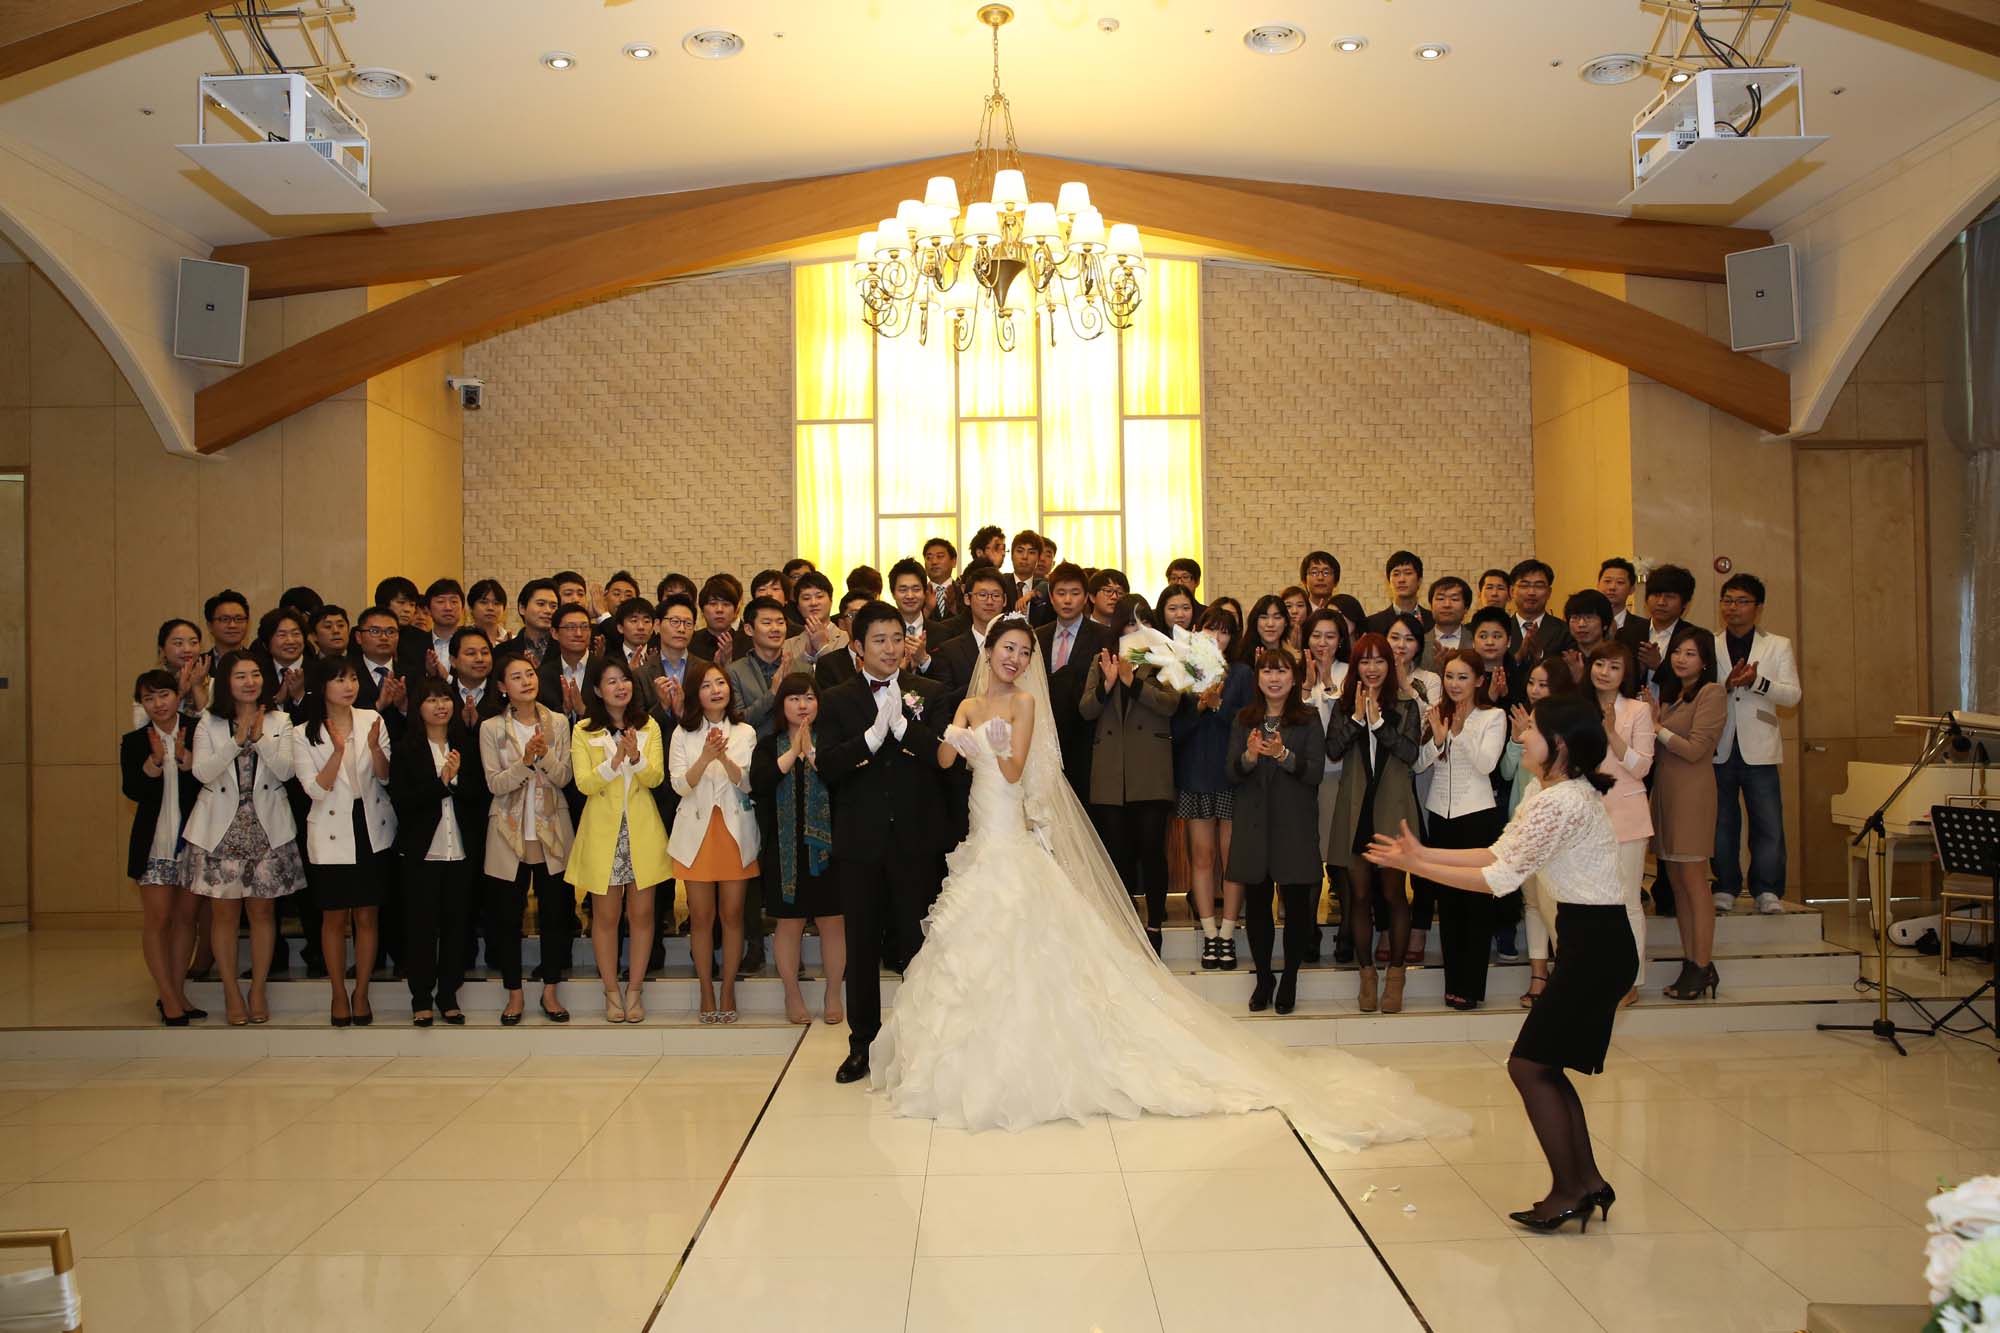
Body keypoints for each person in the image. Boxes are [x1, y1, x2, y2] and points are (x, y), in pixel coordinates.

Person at [868, 614, 1465, 1148]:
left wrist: (994, 749)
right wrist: (957, 738)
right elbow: (945, 763)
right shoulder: (969, 704)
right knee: (972, 950)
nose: (1016, 658)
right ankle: (974, 1059)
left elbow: (1014, 771)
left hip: (1010, 839)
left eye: (1025, 651)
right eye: (1009, 648)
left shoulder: (1024, 704)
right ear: (990, 651)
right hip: (979, 842)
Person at [1364, 695, 1626, 1231]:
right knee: (1544, 1066)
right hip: (1594, 941)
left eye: (1532, 730)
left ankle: (1569, 1189)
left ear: (1559, 745)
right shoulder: (1552, 792)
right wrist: (1421, 856)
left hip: (1596, 945)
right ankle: (1587, 1182)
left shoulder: (1560, 802)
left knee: (1528, 1066)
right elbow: (1497, 852)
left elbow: (1498, 878)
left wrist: (1419, 868)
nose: (1522, 736)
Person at [814, 601, 958, 1084]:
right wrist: (871, 740)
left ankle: (920, 1044)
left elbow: (944, 759)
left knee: (918, 944)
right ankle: (862, 1044)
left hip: (916, 838)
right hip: (861, 841)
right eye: (879, 640)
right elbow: (829, 765)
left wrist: (903, 730)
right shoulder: (836, 699)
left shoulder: (929, 692)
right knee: (861, 946)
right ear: (857, 646)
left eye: (898, 638)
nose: (891, 648)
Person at [184, 651, 304, 1025]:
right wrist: (236, 741)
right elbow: (202, 773)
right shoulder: (209, 722)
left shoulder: (280, 720)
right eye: (240, 676)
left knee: (263, 912)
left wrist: (259, 738)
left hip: (267, 828)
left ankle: (258, 990)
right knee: (224, 914)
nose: (250, 682)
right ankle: (231, 991)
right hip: (221, 829)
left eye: (255, 674)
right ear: (225, 682)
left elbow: (286, 771)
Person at [292, 655, 396, 1027]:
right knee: (334, 916)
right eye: (339, 680)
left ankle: (362, 991)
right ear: (322, 686)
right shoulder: (302, 733)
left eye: (352, 678)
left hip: (370, 825)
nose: (349, 686)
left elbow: (385, 777)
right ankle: (338, 992)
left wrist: (375, 749)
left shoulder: (372, 719)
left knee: (367, 914)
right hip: (331, 828)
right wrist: (337, 752)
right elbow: (314, 790)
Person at [1323, 634, 1424, 1013]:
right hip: (1355, 808)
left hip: (1391, 806)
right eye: (1364, 661)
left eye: (1378, 660)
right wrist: (1356, 719)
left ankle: (1396, 975)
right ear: (1355, 666)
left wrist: (1379, 723)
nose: (1371, 668)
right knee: (1359, 896)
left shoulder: (1406, 704)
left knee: (1394, 894)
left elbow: (1410, 752)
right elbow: (1333, 749)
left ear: (1390, 664)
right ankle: (1367, 975)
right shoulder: (1344, 704)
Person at [1226, 650, 1327, 1014]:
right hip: (1253, 824)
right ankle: (1264, 977)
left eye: (1281, 671)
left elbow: (1315, 772)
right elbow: (1231, 772)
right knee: (1257, 905)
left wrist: (1284, 756)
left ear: (1294, 678)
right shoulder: (1244, 719)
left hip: (1294, 823)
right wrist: (1250, 757)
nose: (1274, 678)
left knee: (1297, 905)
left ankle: (1290, 978)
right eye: (1267, 671)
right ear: (1258, 678)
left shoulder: (1308, 719)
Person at [573, 659, 672, 1024]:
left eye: (624, 680)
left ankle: (635, 990)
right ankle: (611, 991)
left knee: (643, 915)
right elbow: (585, 784)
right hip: (604, 831)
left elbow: (655, 778)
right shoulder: (584, 730)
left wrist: (635, 756)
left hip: (641, 829)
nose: (620, 687)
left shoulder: (649, 726)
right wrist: (615, 759)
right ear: (598, 690)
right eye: (611, 681)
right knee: (606, 916)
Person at [479, 653, 576, 1024]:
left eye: (530, 674)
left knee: (554, 915)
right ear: (503, 687)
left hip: (552, 829)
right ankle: (514, 994)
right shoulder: (491, 728)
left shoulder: (557, 722)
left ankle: (550, 991)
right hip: (508, 830)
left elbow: (563, 777)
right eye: (516, 676)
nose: (526, 681)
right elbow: (495, 783)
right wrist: (524, 762)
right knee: (508, 917)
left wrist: (543, 756)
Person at [1079, 595, 1179, 950]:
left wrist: (1133, 682)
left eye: (1143, 622)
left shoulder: (1164, 658)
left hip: (1150, 770)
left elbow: (1170, 703)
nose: (1137, 629)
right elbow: (1086, 709)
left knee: (1151, 849)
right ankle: (1123, 923)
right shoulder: (1101, 660)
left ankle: (1154, 923)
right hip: (1111, 771)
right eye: (1130, 623)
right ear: (1118, 628)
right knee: (1116, 852)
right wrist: (1108, 685)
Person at [1413, 650, 1508, 1010]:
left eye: (1463, 677)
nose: (1454, 684)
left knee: (1476, 905)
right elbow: (1419, 764)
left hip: (1477, 816)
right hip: (1440, 815)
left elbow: (1486, 764)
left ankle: (1471, 986)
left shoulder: (1493, 716)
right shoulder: (1436, 712)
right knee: (1449, 905)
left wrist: (1459, 732)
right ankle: (1452, 983)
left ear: (1480, 681)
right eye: (1450, 676)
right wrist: (1438, 740)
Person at [750, 674, 847, 1025]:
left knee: (833, 922)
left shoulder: (833, 742)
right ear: (782, 705)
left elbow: (842, 782)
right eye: (794, 698)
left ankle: (833, 993)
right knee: (788, 925)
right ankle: (792, 994)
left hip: (829, 850)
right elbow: (760, 783)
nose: (802, 705)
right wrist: (794, 752)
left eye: (809, 697)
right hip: (784, 850)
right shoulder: (768, 745)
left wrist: (814, 754)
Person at [393, 677, 489, 1026]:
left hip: (460, 849)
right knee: (421, 927)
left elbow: (479, 795)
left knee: (456, 926)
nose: (440, 706)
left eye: (445, 699)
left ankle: (448, 994)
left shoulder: (466, 745)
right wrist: (442, 783)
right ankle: (420, 997)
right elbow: (403, 801)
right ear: (418, 707)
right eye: (431, 700)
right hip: (423, 851)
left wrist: (457, 780)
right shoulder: (406, 748)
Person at [668, 661, 758, 1024]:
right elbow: (679, 785)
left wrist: (723, 757)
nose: (715, 690)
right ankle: (706, 988)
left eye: (720, 683)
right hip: (697, 831)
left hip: (734, 830)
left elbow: (748, 783)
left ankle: (729, 988)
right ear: (696, 694)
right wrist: (706, 757)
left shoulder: (745, 731)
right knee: (702, 917)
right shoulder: (682, 733)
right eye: (706, 685)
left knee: (732, 914)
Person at [1710, 573, 1800, 916]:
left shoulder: (1778, 645)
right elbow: (1699, 689)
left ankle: (1767, 889)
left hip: (1760, 746)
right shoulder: (1710, 642)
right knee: (1721, 822)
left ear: (1758, 607)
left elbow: (1792, 695)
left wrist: (1757, 681)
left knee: (1768, 822)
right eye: (1727, 600)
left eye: (1742, 601)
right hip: (1719, 744)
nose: (1733, 607)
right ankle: (1725, 886)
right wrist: (1727, 684)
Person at [1170, 610, 1252, 970]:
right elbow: (1174, 731)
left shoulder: (1242, 674)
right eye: (1210, 630)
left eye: (1224, 632)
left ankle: (1228, 932)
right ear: (1196, 633)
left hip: (1232, 776)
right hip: (1195, 776)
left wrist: (1218, 707)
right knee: (1201, 858)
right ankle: (1209, 934)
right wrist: (1199, 707)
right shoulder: (1183, 672)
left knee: (1232, 859)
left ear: (1233, 638)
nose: (1216, 638)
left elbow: (1248, 724)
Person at [123, 669, 204, 1025]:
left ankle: (178, 990)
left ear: (177, 696)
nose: (158, 704)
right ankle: (167, 997)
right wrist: (155, 760)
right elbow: (133, 791)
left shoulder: (198, 730)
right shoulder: (135, 740)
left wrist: (184, 757)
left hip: (193, 840)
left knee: (186, 919)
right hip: (154, 843)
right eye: (148, 698)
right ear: (141, 704)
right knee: (158, 919)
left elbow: (207, 782)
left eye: (164, 695)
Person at [1651, 627, 1727, 999]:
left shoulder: (1712, 693)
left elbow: (1696, 749)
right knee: (1677, 882)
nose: (1681, 659)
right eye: (1677, 652)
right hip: (1666, 792)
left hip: (1692, 793)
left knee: (1694, 881)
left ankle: (1703, 964)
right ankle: (1690, 961)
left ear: (1706, 661)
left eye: (1690, 654)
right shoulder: (1674, 695)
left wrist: (1656, 728)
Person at [1586, 641, 1655, 1006]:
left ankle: (1631, 979)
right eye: (1600, 664)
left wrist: (1612, 732)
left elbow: (1642, 766)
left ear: (1625, 673)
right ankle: (1596, 975)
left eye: (1614, 667)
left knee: (1627, 900)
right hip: (1586, 817)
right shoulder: (1578, 708)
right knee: (1591, 903)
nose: (1605, 672)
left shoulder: (1638, 710)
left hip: (1627, 815)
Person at [1498, 659, 1569, 1006]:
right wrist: (1516, 739)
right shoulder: (1522, 721)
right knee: (1532, 903)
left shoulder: (1569, 723)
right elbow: (1507, 772)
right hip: (1522, 824)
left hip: (1555, 827)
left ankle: (1566, 975)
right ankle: (1538, 975)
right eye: (1531, 683)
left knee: (1555, 903)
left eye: (1544, 684)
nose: (1536, 690)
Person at [1299, 609, 1351, 963]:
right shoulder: (1295, 671)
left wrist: (1329, 683)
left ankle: (1347, 931)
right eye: (1316, 635)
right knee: (1306, 860)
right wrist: (1306, 685)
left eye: (1330, 636)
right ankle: (1308, 932)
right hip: (1300, 778)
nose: (1322, 643)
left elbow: (1345, 725)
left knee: (1339, 859)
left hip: (1337, 775)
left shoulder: (1350, 672)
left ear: (1341, 640)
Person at [1037, 562, 1110, 800]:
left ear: (1086, 597)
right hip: (1046, 736)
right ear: (1051, 597)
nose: (1067, 600)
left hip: (1087, 737)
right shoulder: (1037, 636)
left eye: (1075, 593)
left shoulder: (1104, 637)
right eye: (1061, 593)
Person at [1633, 563, 1706, 692]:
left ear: (1685, 603)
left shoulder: (1697, 638)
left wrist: (1658, 666)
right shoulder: (1630, 631)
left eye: (1670, 596)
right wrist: (1637, 671)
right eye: (1656, 595)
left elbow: (1700, 684)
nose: (1661, 602)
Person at [728, 596, 792, 736]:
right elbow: (737, 722)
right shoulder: (734, 672)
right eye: (767, 623)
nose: (775, 629)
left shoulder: (802, 668)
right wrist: (772, 694)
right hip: (752, 747)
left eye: (780, 622)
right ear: (748, 629)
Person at [351, 606, 409, 733]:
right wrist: (378, 705)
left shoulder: (411, 673)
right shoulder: (346, 673)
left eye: (391, 632)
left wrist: (403, 707)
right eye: (375, 631)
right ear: (359, 637)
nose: (384, 637)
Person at [539, 604, 599, 722]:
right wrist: (565, 711)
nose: (579, 633)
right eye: (571, 627)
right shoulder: (542, 675)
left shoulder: (604, 670)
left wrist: (583, 711)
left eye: (584, 627)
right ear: (554, 633)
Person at [1509, 560, 1573, 665]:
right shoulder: (1502, 629)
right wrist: (1519, 656)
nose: (1531, 592)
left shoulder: (1564, 631)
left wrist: (1540, 655)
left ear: (1549, 592)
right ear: (1512, 591)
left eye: (1539, 586)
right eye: (1524, 586)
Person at [1364, 551, 1435, 636]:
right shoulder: (1372, 623)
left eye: (1408, 573)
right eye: (1396, 574)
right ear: (1389, 582)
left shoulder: (1434, 620)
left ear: (1419, 580)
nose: (1401, 579)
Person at [1559, 590, 1618, 690]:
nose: (1581, 624)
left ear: (1605, 624)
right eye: (1575, 617)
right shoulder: (1564, 657)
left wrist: (1580, 678)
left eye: (1589, 617)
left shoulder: (1616, 657)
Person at [689, 574, 743, 665]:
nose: (719, 610)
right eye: (713, 604)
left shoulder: (748, 642)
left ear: (736, 611)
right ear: (702, 610)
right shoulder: (690, 642)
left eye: (726, 604)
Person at [1422, 576, 1472, 670]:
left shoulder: (1475, 641)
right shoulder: (1419, 643)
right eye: (1440, 598)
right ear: (1431, 606)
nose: (1447, 604)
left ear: (1466, 608)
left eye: (1455, 599)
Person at [203, 590, 253, 672]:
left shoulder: (261, 663)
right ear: (210, 626)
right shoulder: (197, 665)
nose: (232, 625)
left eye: (239, 619)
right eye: (225, 619)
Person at [922, 537, 962, 623]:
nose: (934, 562)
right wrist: (927, 610)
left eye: (940, 556)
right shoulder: (919, 594)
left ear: (954, 561)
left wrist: (954, 609)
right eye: (929, 558)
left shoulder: (963, 591)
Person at [1242, 594, 1291, 664]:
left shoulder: (1292, 656)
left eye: (1277, 617)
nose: (1270, 624)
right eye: (1264, 617)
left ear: (1286, 622)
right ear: (1255, 621)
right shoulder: (1242, 658)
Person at [1598, 558, 1638, 636]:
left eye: (1620, 582)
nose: (1612, 587)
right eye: (1607, 581)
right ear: (1598, 585)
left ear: (1632, 589)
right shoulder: (1584, 626)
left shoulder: (1643, 627)